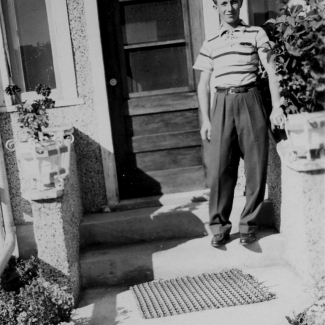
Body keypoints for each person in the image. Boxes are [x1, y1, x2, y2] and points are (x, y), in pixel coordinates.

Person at [193, 0, 283, 247]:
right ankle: (219, 227)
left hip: (250, 99)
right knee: (220, 169)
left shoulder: (256, 33)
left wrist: (277, 106)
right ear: (216, 8)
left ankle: (248, 226)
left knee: (255, 167)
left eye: (234, 1)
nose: (229, 8)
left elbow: (271, 68)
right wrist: (206, 120)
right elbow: (203, 84)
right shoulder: (211, 43)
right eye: (223, 3)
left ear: (241, 4)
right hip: (222, 102)